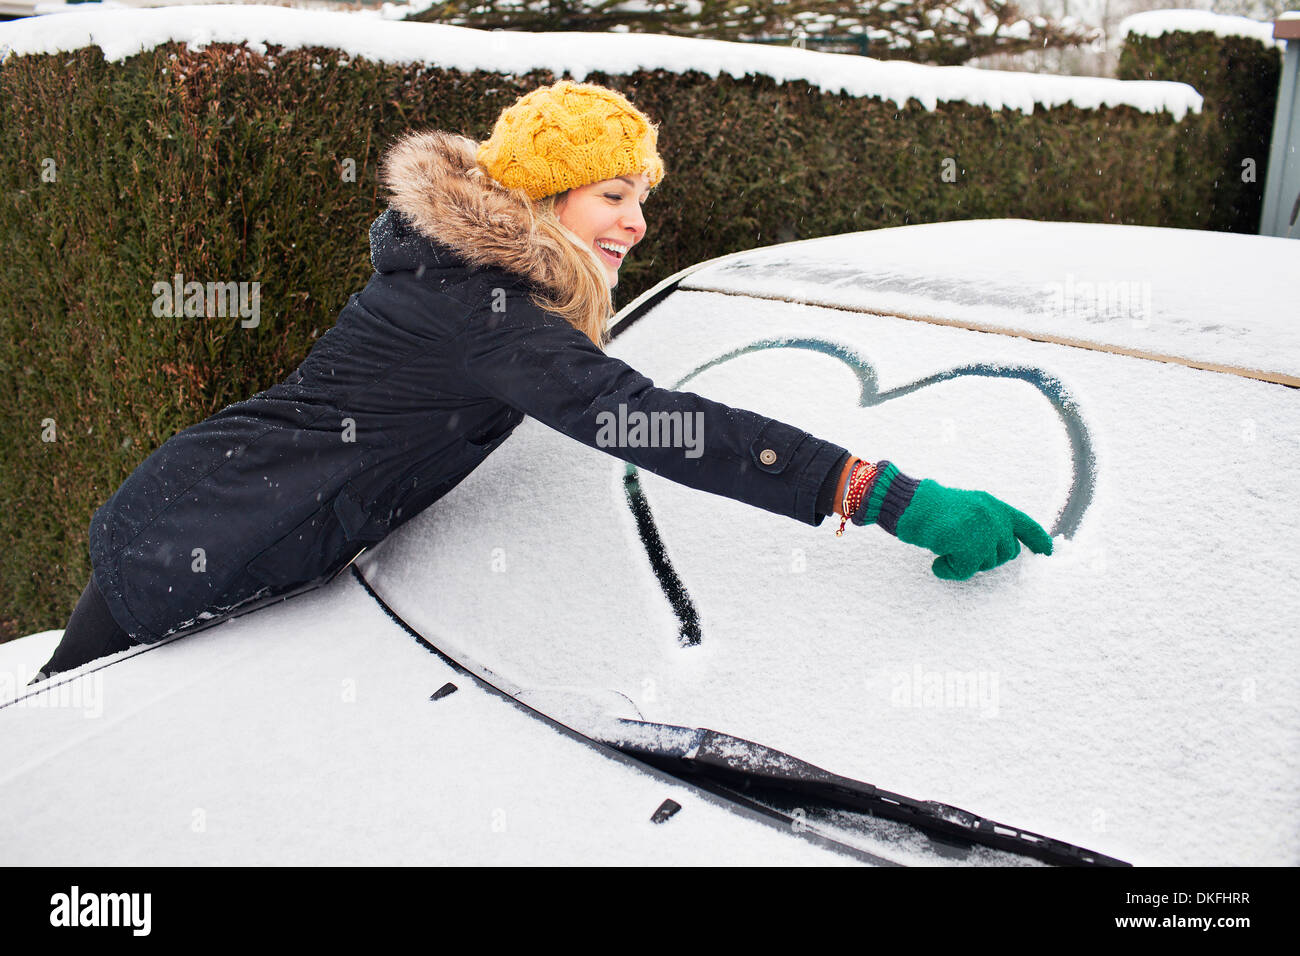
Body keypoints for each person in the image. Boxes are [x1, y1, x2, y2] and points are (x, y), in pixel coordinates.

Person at [31, 79, 1052, 685]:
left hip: (216, 519)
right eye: (615, 194)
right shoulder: (481, 311)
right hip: (191, 543)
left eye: (641, 196)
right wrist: (880, 494)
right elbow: (654, 425)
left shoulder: (467, 282)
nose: (638, 223)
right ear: (541, 196)